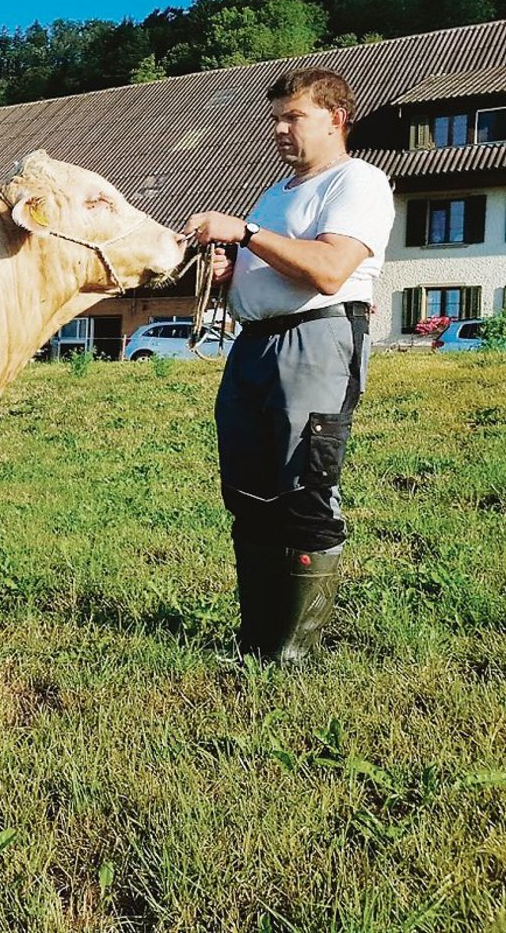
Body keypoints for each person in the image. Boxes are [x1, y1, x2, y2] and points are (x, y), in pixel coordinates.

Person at [183, 67, 394, 660]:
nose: (279, 129)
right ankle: (256, 642)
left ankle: (290, 653)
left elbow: (328, 270)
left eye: (293, 117)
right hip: (254, 344)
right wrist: (229, 274)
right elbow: (266, 269)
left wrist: (245, 233)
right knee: (248, 491)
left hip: (318, 339)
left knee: (305, 485)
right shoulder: (276, 193)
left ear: (335, 118)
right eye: (275, 118)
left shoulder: (359, 181)